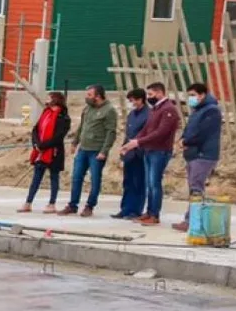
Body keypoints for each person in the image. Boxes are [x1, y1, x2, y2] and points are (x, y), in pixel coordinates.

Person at [120, 81, 181, 226]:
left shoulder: (168, 109)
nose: (148, 97)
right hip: (149, 150)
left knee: (154, 183)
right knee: (149, 183)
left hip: (160, 151)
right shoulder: (156, 109)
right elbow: (147, 129)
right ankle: (149, 212)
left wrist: (138, 142)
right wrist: (132, 143)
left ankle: (154, 215)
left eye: (151, 94)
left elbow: (161, 133)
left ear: (160, 93)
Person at [61, 84, 117, 217]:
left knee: (95, 179)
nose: (87, 97)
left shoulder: (109, 111)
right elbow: (82, 126)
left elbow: (111, 132)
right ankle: (72, 205)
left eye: (89, 95)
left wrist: (104, 151)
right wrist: (75, 142)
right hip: (83, 149)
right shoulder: (87, 109)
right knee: (76, 177)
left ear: (98, 96)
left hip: (96, 151)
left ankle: (90, 206)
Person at [174, 81, 223, 233]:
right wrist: (182, 139)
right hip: (193, 154)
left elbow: (203, 133)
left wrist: (187, 141)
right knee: (194, 188)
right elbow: (189, 129)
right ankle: (191, 219)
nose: (191, 99)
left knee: (196, 188)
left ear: (202, 95)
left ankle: (193, 221)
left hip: (203, 154)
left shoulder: (211, 111)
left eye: (193, 95)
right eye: (189, 96)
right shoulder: (198, 110)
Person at [19, 91, 71, 213]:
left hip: (54, 152)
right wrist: (36, 144)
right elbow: (36, 129)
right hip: (41, 151)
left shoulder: (63, 117)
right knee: (36, 178)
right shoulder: (46, 112)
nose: (46, 100)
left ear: (56, 100)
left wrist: (44, 146)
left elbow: (58, 136)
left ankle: (52, 204)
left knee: (54, 177)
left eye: (49, 98)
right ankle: (28, 203)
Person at [113, 89, 150, 220]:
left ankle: (135, 210)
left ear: (140, 99)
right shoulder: (132, 114)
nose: (131, 103)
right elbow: (128, 134)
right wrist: (123, 150)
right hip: (129, 153)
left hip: (140, 153)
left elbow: (146, 134)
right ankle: (125, 209)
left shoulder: (148, 114)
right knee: (128, 182)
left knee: (138, 182)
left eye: (133, 100)